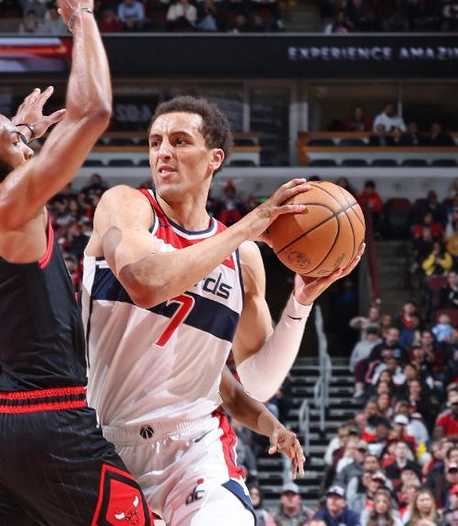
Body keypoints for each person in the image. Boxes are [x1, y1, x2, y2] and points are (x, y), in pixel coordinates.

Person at [0, 0, 152, 525]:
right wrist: (81, 14)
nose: (25, 141)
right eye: (13, 138)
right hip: (44, 419)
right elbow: (94, 110)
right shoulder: (7, 208)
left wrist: (20, 131)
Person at [82, 95, 361, 523]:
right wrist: (247, 226)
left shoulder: (243, 259)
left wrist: (301, 301)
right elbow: (144, 283)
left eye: (179, 141)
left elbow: (254, 380)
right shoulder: (127, 206)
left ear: (215, 158)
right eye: (155, 142)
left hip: (194, 447)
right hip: (103, 441)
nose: (163, 153)